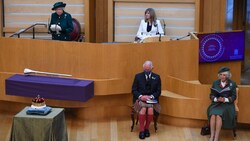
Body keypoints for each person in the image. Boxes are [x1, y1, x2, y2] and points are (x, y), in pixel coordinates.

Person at [132, 61, 161, 139]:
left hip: (152, 100)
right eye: (145, 70)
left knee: (151, 110)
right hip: (140, 100)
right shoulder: (138, 76)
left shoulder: (157, 77)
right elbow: (134, 90)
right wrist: (141, 96)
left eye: (148, 70)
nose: (147, 71)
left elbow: (158, 91)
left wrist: (151, 97)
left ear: (152, 68)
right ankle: (141, 131)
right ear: (143, 68)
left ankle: (146, 129)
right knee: (143, 109)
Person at [207, 67, 237, 141]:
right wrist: (216, 99)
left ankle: (216, 137)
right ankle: (212, 136)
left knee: (219, 115)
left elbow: (234, 97)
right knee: (213, 115)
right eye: (221, 75)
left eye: (224, 75)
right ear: (219, 75)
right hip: (216, 104)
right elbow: (211, 95)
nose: (222, 76)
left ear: (228, 76)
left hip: (227, 105)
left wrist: (225, 99)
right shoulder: (215, 82)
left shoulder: (232, 83)